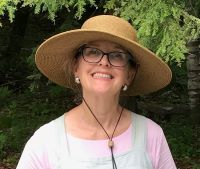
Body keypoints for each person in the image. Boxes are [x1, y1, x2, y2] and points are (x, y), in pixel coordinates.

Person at [17, 15, 177, 169]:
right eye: (93, 52)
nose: (104, 62)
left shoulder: (152, 135)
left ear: (129, 74)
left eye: (117, 55)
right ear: (76, 68)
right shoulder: (45, 141)